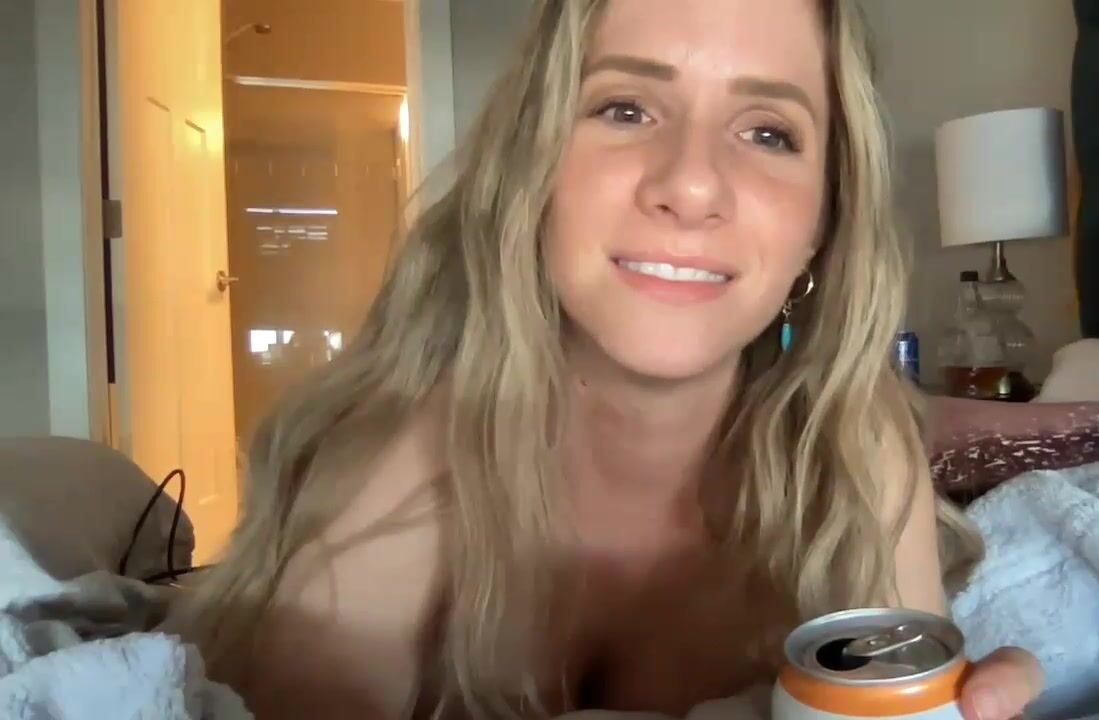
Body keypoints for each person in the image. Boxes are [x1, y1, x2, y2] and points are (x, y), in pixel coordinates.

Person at [171, 0, 1044, 718]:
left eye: (768, 132)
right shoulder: (407, 461)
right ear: (533, 170)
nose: (691, 185)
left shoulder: (853, 450)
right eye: (626, 109)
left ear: (821, 224)